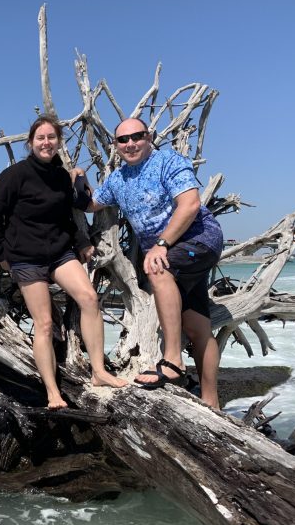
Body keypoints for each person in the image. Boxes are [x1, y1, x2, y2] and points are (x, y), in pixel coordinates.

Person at [0, 115, 128, 410]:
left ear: (59, 142)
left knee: (89, 298)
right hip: (25, 257)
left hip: (60, 253)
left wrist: (82, 240)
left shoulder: (62, 176)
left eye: (51, 137)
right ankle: (52, 392)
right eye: (41, 138)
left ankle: (99, 372)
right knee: (45, 323)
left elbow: (71, 211)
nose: (46, 142)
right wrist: (1, 256)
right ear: (31, 142)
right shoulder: (14, 175)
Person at [79, 117, 224, 409]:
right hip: (174, 253)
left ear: (149, 137)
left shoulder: (168, 161)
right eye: (123, 139)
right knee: (196, 325)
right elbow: (91, 203)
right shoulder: (118, 180)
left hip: (200, 239)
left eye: (137, 136)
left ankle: (172, 361)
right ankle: (212, 402)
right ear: (116, 145)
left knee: (158, 267)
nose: (131, 143)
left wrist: (161, 245)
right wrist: (78, 177)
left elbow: (190, 204)